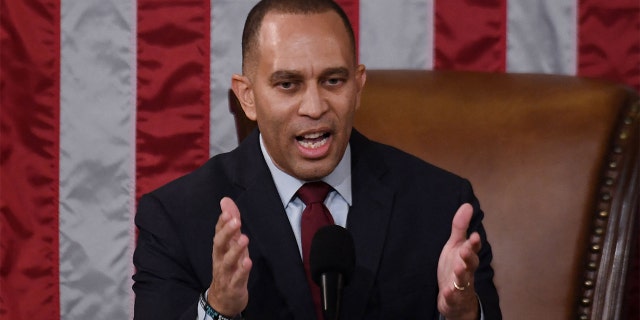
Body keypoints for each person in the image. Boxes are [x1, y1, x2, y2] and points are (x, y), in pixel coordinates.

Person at [132, 0, 501, 319]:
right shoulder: (175, 218)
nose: (314, 107)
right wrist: (219, 308)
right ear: (247, 96)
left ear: (358, 86)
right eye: (288, 84)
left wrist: (461, 314)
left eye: (333, 81)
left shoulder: (442, 206)